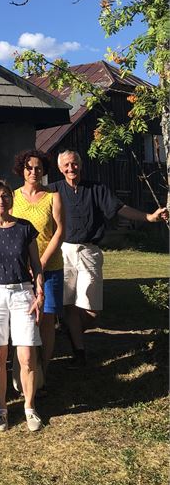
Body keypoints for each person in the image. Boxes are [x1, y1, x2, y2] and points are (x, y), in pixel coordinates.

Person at [52, 150, 168, 367]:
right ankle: (79, 352)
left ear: (81, 164)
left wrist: (149, 217)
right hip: (64, 251)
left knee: (92, 310)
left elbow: (120, 208)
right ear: (60, 168)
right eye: (66, 165)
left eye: (74, 164)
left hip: (90, 252)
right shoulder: (54, 191)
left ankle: (70, 329)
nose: (71, 168)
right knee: (68, 304)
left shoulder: (96, 189)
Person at [0, 180, 45, 433]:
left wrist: (40, 293)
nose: (0, 201)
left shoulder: (25, 228)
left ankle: (29, 407)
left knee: (26, 356)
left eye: (5, 196)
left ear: (11, 200)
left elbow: (36, 265)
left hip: (23, 293)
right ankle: (2, 409)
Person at [12, 150, 64, 382]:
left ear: (44, 171)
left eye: (38, 168)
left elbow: (60, 231)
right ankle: (26, 367)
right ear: (22, 170)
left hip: (49, 265)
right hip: (21, 269)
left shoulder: (53, 197)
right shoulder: (12, 197)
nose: (34, 172)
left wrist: (40, 263)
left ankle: (44, 369)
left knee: (46, 319)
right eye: (29, 167)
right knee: (26, 318)